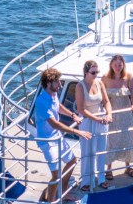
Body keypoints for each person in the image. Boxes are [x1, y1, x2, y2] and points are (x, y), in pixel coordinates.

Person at [35, 68, 92, 203]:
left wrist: (72, 115)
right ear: (49, 83)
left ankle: (62, 192)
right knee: (55, 175)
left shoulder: (53, 95)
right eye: (57, 82)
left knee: (72, 161)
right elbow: (55, 124)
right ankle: (51, 201)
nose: (60, 85)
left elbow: (58, 106)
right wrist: (77, 132)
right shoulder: (42, 101)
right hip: (48, 141)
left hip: (57, 137)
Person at [101, 55, 133, 180]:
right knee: (111, 139)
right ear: (111, 65)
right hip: (112, 113)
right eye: (115, 65)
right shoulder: (105, 78)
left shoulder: (128, 76)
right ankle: (108, 169)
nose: (117, 67)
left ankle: (128, 166)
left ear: (123, 65)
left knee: (127, 137)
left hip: (125, 113)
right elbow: (102, 97)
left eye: (119, 65)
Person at [75, 60, 113, 191]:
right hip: (87, 122)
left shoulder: (99, 83)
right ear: (86, 72)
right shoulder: (80, 86)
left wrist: (109, 114)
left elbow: (106, 101)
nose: (95, 74)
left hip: (101, 121)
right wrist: (96, 118)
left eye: (97, 71)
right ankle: (85, 180)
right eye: (93, 72)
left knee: (101, 151)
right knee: (87, 152)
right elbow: (81, 109)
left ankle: (101, 178)